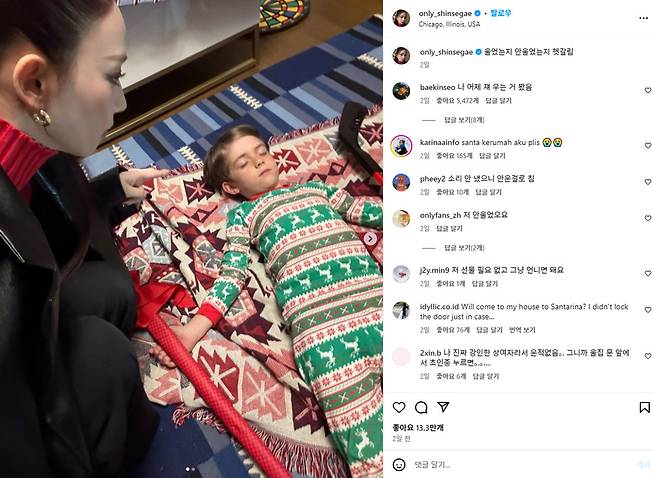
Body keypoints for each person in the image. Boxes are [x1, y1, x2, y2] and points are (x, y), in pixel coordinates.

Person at [151, 125, 384, 477]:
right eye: (244, 162)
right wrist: (190, 332)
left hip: (380, 302)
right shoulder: (244, 215)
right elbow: (232, 276)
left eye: (262, 152)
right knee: (371, 455)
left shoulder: (316, 189)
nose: (260, 161)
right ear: (231, 187)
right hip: (325, 336)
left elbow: (371, 213)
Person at [0, 1, 167, 476]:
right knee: (104, 354)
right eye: (113, 75)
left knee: (111, 288)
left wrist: (105, 194)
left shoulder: (20, 135)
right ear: (34, 83)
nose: (122, 102)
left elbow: (29, 220)